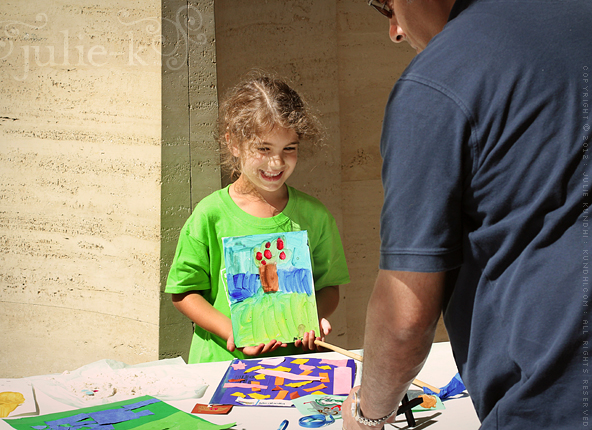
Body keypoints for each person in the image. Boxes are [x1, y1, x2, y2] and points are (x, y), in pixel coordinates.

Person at [343, 0, 591, 429]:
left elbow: (404, 320)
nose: (395, 31)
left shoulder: (438, 80)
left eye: (386, 7)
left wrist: (367, 415)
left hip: (551, 405)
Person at [165, 73, 350, 364]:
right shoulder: (210, 214)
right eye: (263, 149)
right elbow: (184, 293)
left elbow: (329, 287)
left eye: (289, 148)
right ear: (234, 143)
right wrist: (232, 332)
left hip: (295, 367)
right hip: (222, 369)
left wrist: (314, 317)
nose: (276, 162)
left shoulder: (314, 216)